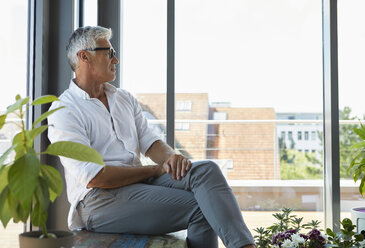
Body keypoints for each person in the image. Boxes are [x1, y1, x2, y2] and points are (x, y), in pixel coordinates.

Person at [47, 26, 256, 248]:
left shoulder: (123, 98)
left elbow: (150, 141)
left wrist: (170, 158)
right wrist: (154, 169)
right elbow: (94, 177)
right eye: (109, 53)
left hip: (140, 183)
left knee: (206, 170)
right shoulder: (64, 110)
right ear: (84, 56)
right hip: (98, 200)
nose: (115, 59)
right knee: (202, 207)